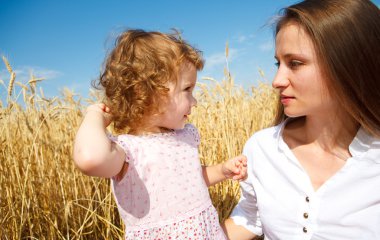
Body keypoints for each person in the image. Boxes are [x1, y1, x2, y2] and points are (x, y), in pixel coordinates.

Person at [223, 0, 380, 239]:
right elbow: (250, 218)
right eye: (278, 63)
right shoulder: (262, 147)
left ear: (348, 63)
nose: (277, 80)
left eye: (295, 63)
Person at [73, 29, 247, 239]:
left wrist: (221, 171)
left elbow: (190, 179)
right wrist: (94, 116)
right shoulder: (128, 150)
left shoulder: (186, 136)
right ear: (148, 93)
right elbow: (90, 158)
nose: (195, 101)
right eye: (187, 90)